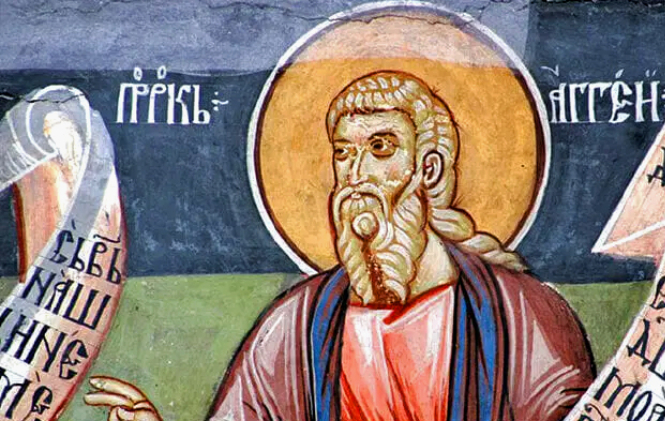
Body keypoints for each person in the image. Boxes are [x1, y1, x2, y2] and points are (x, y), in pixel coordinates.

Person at [84, 71, 596, 421]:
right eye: (344, 153)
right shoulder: (296, 325)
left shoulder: (520, 314)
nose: (357, 174)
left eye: (381, 148)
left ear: (428, 169)